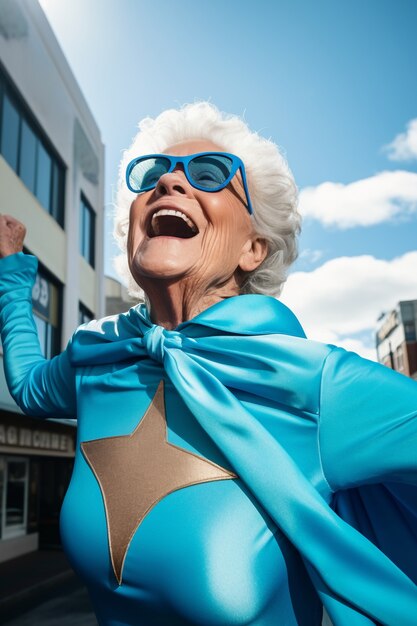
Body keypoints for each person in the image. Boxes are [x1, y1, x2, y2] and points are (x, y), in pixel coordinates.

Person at [0, 102, 416, 626]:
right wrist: (12, 270)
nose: (170, 180)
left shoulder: (315, 384)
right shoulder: (97, 354)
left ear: (253, 249)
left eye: (210, 174)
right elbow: (31, 388)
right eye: (154, 173)